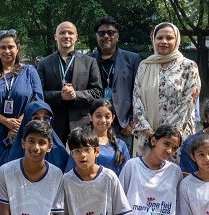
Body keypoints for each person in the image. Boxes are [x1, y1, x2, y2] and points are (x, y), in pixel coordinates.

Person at [132, 22, 201, 158]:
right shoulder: (144, 66)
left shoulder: (188, 67)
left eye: (169, 38)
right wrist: (150, 133)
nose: (164, 41)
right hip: (149, 137)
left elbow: (188, 102)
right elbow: (136, 100)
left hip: (177, 139)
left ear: (177, 40)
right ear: (154, 40)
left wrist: (163, 135)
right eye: (159, 38)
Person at [0, 30, 43, 166]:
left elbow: (37, 99)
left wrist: (19, 122)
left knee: (20, 169)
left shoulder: (29, 71)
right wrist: (5, 121)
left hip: (22, 129)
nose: (7, 51)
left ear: (17, 48)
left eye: (10, 47)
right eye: (2, 47)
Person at [37, 21, 102, 143]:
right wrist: (59, 96)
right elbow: (38, 94)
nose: (66, 36)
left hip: (82, 123)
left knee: (81, 160)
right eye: (62, 33)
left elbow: (97, 92)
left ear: (76, 37)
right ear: (55, 37)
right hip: (53, 122)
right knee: (54, 161)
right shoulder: (44, 63)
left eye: (70, 33)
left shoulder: (90, 62)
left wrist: (75, 95)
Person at [88, 16, 141, 150]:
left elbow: (138, 92)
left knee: (121, 162)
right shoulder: (87, 60)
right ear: (96, 36)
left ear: (117, 36)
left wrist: (131, 123)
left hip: (122, 124)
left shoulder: (132, 59)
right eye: (101, 33)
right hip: (95, 123)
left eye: (111, 33)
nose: (106, 36)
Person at [67, 99, 130, 176]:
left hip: (113, 186)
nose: (103, 120)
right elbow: (71, 173)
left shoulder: (121, 145)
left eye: (107, 116)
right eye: (98, 116)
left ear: (113, 118)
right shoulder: (81, 141)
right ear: (90, 117)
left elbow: (127, 174)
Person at [5, 100, 71, 171]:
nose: (41, 122)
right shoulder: (16, 153)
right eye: (36, 118)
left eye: (46, 118)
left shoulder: (59, 151)